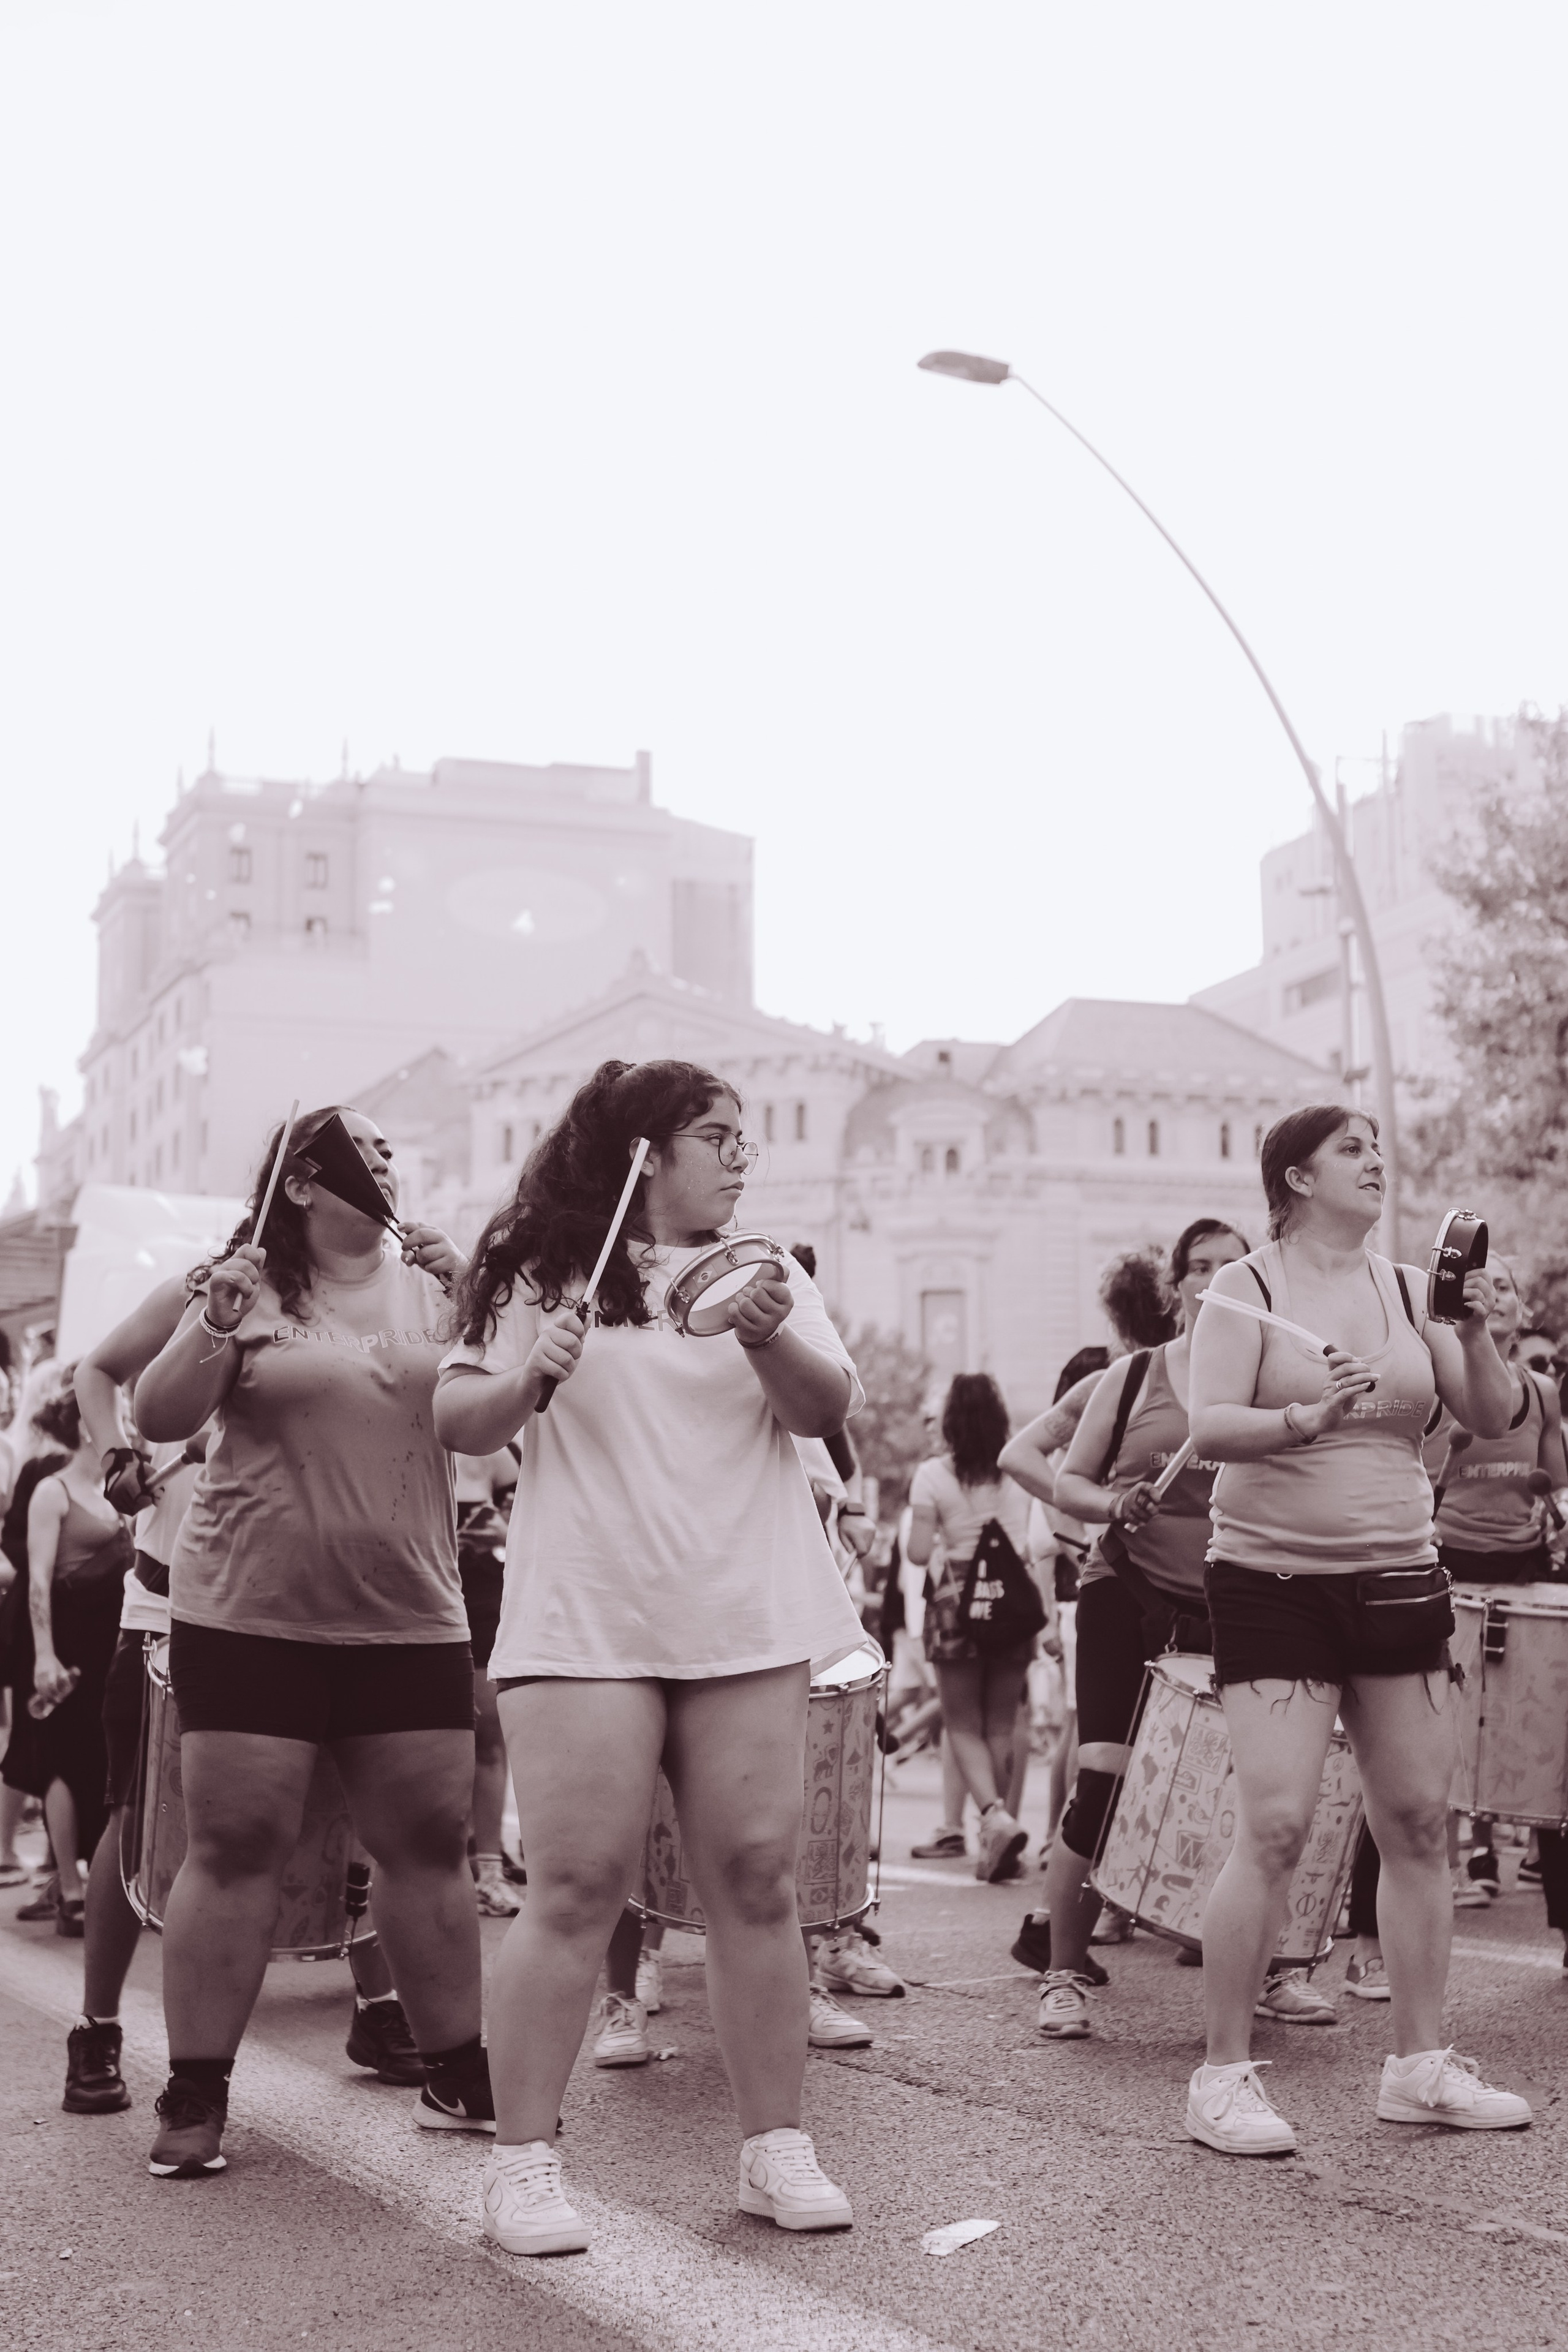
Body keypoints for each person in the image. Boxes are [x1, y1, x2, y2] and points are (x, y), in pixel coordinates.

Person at [435, 1058, 865, 2256]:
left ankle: (773, 2148)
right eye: (715, 1135)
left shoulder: (765, 1269)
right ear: (642, 1150)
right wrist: (529, 1372)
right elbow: (456, 1421)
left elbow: (824, 1411)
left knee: (756, 1880)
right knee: (572, 1884)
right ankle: (524, 2163)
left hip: (742, 1615)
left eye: (744, 1138)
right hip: (589, 1618)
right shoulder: (537, 1270)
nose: (740, 1156)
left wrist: (772, 1339)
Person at [132, 1104, 483, 2179]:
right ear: (302, 1185)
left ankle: (458, 2070)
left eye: (391, 1147)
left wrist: (478, 1296)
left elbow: (506, 1406)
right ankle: (197, 2093)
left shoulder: (435, 1281)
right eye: (362, 1150)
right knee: (237, 1846)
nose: (387, 1159)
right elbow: (155, 1412)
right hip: (250, 1612)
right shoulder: (244, 1281)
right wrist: (216, 1323)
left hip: (411, 1611)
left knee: (428, 1844)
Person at [1186, 1104, 1531, 2154]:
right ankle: (1222, 2077)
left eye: (1380, 1149)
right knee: (1280, 1825)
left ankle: (1420, 2065)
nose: (1377, 1163)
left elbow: (1492, 1414)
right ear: (1294, 1177)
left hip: (1398, 1574)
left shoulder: (1405, 1291)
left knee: (1420, 1822)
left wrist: (1473, 1329)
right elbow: (1208, 1427)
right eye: (1352, 1150)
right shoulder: (1243, 1290)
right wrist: (1302, 1420)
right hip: (1271, 1579)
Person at [62, 1279, 428, 2118]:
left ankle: (376, 2011)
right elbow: (100, 1369)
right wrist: (118, 1449)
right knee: (138, 1814)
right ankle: (99, 2030)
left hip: (303, 1607)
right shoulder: (208, 1285)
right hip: (169, 1603)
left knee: (351, 1808)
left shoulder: (371, 1296)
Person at [1032, 1221, 1328, 2042]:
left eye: (1229, 1267)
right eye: (1197, 1268)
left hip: (1233, 1598)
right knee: (1102, 1781)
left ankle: (1271, 1971)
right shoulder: (1133, 1378)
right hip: (1125, 1592)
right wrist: (1112, 1505)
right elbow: (1069, 1482)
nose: (1212, 1280)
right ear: (1176, 1287)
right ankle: (1062, 1970)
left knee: (1261, 1795)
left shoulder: (1271, 1389)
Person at [2, 1373, 132, 1937]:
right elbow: (37, 1582)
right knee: (58, 1758)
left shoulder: (122, 1489)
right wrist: (44, 1658)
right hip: (63, 1643)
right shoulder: (52, 1491)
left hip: (111, 1643)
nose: (125, 1424)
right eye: (116, 1414)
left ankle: (86, 1878)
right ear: (86, 1425)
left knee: (99, 1761)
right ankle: (73, 1893)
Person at [903, 1374, 1034, 1882]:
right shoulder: (1016, 1469)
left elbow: (916, 1552)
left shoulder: (933, 1476)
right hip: (1015, 1602)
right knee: (1001, 1724)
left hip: (957, 1603)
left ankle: (993, 1819)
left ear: (952, 1421)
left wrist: (939, 1540)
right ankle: (995, 1836)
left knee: (961, 1725)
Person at [453, 1448, 524, 1917]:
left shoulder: (505, 1454)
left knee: (489, 1741)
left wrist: (502, 1534)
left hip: (482, 1597)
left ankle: (490, 1873)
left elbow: (535, 1526)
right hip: (417, 1590)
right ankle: (442, 1870)